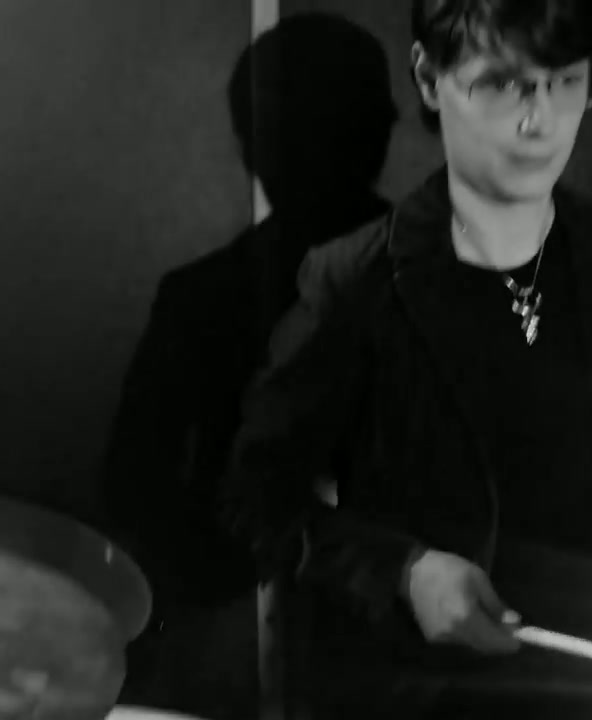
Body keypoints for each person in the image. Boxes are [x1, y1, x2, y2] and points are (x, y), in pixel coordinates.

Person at [220, 1, 592, 717]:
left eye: (565, 82)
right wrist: (405, 571)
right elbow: (253, 499)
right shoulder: (355, 279)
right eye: (502, 83)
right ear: (429, 78)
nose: (539, 121)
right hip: (428, 696)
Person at [100, 14, 396, 719]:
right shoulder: (464, 287)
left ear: (248, 148)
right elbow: (132, 483)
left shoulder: (201, 296)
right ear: (381, 128)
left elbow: (131, 483)